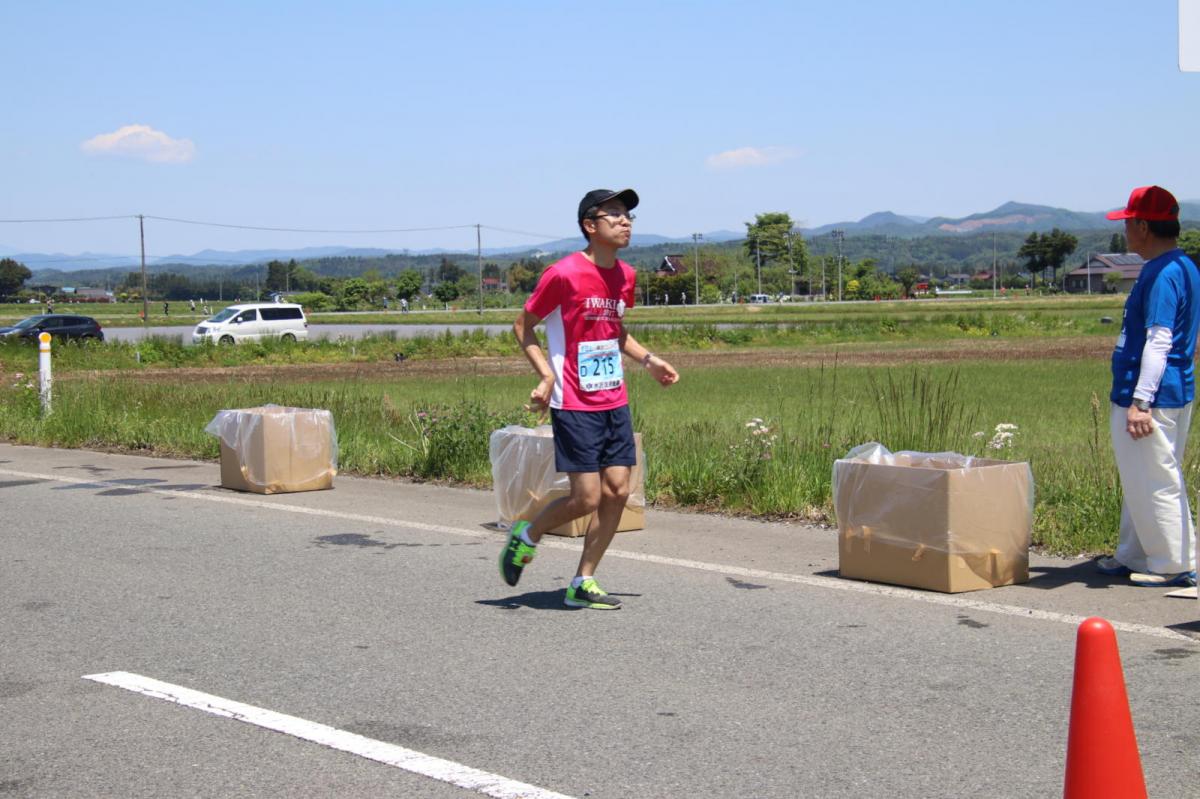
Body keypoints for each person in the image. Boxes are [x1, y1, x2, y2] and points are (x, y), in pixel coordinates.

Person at [500, 188, 679, 609]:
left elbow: (613, 330)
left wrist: (648, 360)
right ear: (589, 225)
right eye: (614, 214)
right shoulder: (562, 274)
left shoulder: (626, 276)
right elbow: (522, 325)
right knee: (587, 498)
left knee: (617, 491)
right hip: (573, 399)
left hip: (613, 398)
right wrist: (545, 375)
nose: (625, 222)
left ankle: (583, 580)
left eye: (629, 215)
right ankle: (527, 534)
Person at [1096, 186, 1199, 587]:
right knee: (1141, 475)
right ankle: (1135, 553)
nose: (1124, 230)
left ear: (1142, 225)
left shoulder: (1161, 272)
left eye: (1127, 222)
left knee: (1156, 479)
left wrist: (1141, 401)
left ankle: (1172, 563)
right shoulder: (1184, 266)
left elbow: (1159, 339)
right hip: (1173, 388)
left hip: (1148, 394)